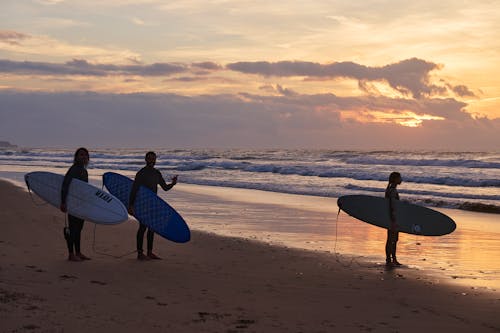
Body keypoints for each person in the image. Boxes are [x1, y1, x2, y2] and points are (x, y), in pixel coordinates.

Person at [129, 151, 177, 260]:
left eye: (153, 159)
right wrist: (131, 205)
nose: (152, 160)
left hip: (153, 204)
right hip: (143, 204)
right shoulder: (141, 173)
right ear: (145, 160)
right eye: (149, 158)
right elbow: (134, 189)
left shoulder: (156, 173)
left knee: (152, 228)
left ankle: (150, 252)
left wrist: (173, 184)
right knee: (142, 228)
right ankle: (140, 253)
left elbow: (164, 188)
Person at [60, 147, 91, 262]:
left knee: (79, 229)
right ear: (76, 157)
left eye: (85, 155)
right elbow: (65, 185)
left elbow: (85, 189)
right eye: (81, 155)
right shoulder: (73, 169)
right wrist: (63, 202)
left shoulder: (84, 171)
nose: (83, 157)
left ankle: (78, 252)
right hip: (73, 203)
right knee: (73, 229)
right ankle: (71, 254)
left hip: (81, 204)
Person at [385, 171, 402, 267]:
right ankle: (391, 259)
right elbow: (392, 205)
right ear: (395, 179)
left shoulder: (389, 189)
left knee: (392, 239)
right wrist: (394, 219)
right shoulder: (392, 191)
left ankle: (391, 259)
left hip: (390, 217)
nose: (401, 180)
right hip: (393, 218)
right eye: (400, 178)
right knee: (392, 239)